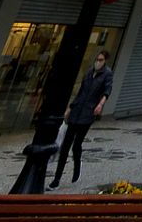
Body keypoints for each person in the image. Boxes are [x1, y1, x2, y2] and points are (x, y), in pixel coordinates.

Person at [50, 50, 113, 188]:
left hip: (88, 113)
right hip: (77, 111)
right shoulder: (89, 72)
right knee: (65, 146)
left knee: (77, 144)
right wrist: (70, 108)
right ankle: (56, 179)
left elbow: (107, 91)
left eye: (101, 60)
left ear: (105, 61)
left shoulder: (107, 74)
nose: (98, 62)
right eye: (97, 59)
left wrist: (100, 105)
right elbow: (80, 92)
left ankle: (77, 165)